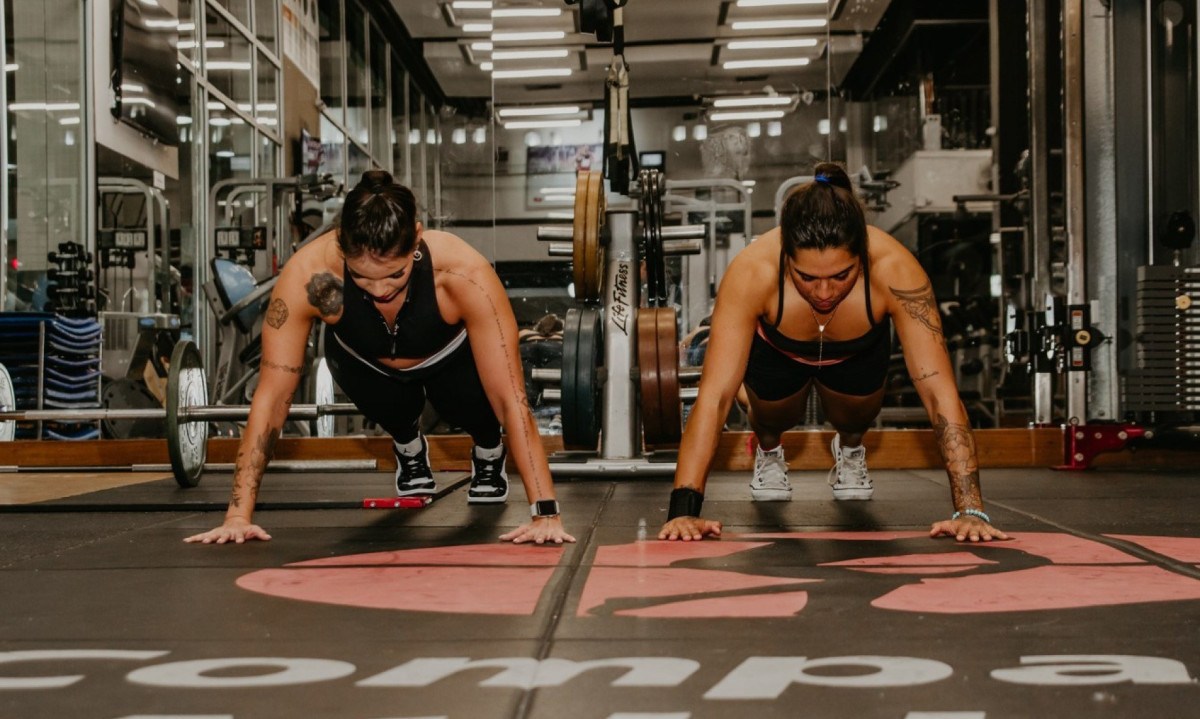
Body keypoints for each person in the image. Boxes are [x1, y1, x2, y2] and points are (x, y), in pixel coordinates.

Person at [186, 170, 575, 546]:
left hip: (449, 360)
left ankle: (488, 450)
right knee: (387, 402)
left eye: (394, 275)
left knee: (470, 403)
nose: (379, 291)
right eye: (362, 277)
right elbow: (271, 398)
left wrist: (545, 512)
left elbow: (511, 398)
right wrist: (238, 515)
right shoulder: (309, 275)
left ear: (417, 240)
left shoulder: (462, 273)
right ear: (341, 244)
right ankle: (408, 445)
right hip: (366, 363)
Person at [658, 162, 1008, 544]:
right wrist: (684, 512)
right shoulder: (752, 272)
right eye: (807, 277)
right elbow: (714, 396)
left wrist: (970, 509)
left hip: (855, 351)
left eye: (841, 275)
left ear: (862, 254)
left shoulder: (895, 269)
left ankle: (851, 450)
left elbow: (938, 390)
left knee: (856, 417)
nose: (824, 293)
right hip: (780, 351)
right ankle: (770, 451)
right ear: (786, 255)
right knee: (772, 417)